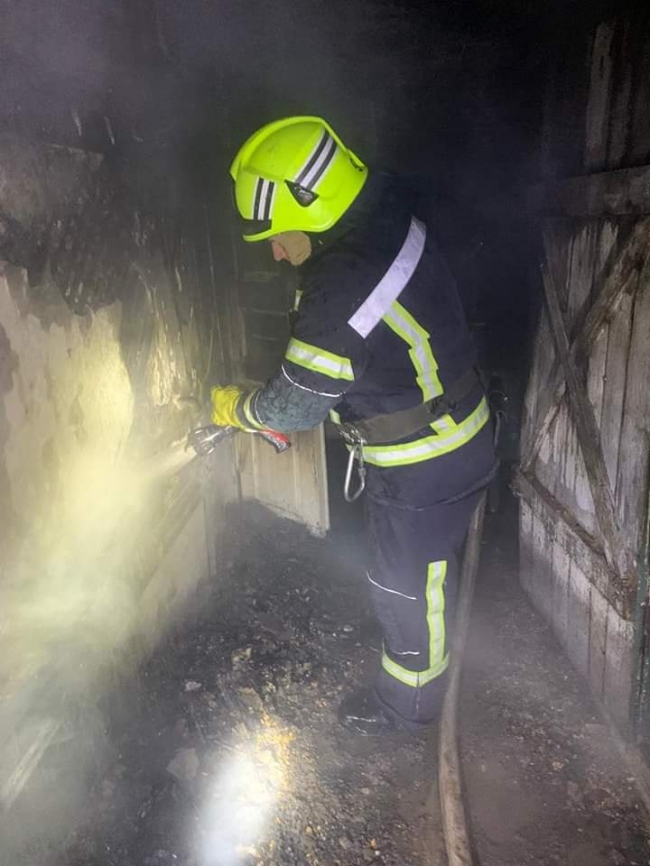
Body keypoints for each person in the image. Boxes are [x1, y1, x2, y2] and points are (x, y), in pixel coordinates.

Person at [211, 116, 497, 735]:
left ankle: (408, 704)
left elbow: (294, 408)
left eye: (277, 234)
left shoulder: (342, 283)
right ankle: (420, 665)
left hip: (424, 463)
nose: (275, 251)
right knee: (427, 568)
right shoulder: (383, 210)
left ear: (311, 207)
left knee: (404, 586)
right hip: (459, 427)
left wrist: (237, 409)